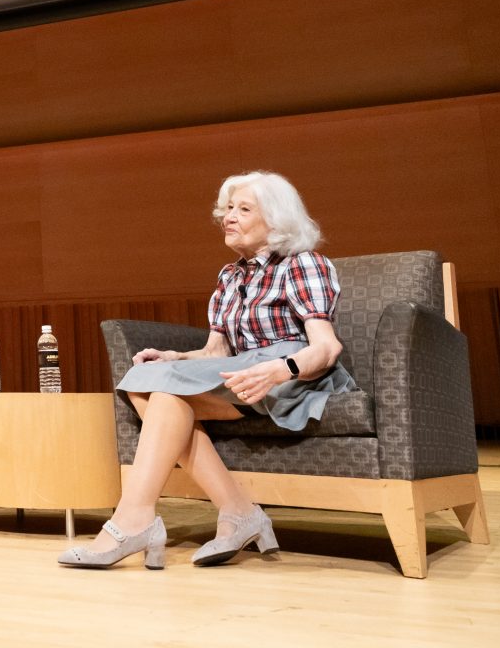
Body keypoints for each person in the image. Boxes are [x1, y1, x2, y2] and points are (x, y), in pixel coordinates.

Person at [58, 171, 355, 569]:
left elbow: (326, 346)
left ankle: (137, 520)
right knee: (148, 386)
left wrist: (280, 369)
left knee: (157, 390)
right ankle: (234, 513)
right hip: (241, 376)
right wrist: (175, 359)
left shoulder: (302, 264)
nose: (228, 216)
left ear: (277, 219)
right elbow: (216, 352)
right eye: (228, 208)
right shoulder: (230, 276)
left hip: (293, 377)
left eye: (243, 209)